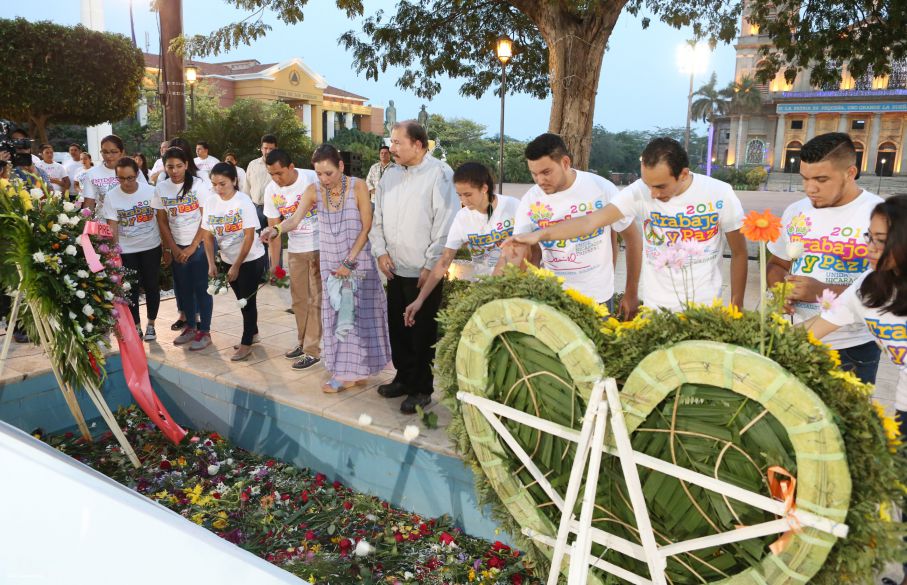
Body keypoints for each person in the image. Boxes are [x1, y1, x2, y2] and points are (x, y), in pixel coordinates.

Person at [509, 136, 745, 311]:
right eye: (647, 184)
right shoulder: (638, 193)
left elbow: (739, 253)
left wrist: (736, 306)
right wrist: (540, 235)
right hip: (655, 307)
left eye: (660, 186)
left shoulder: (719, 194)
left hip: (705, 307)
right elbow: (591, 221)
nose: (651, 193)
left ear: (683, 174)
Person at [261, 144, 391, 391]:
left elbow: (367, 227)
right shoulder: (313, 191)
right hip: (331, 264)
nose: (324, 179)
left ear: (340, 166)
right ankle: (346, 372)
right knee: (338, 319)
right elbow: (294, 219)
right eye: (319, 173)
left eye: (329, 173)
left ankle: (353, 372)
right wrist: (275, 229)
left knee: (358, 318)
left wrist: (349, 262)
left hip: (357, 263)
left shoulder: (358, 186)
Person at [768, 132, 884, 384]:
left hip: (851, 345)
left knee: (846, 422)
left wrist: (822, 291)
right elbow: (777, 263)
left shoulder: (879, 215)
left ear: (850, 173)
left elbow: (887, 289)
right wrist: (778, 291)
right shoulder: (795, 211)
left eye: (821, 179)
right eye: (805, 178)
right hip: (794, 338)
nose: (810, 188)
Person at [500, 133, 643, 316]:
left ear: (565, 163)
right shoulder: (530, 200)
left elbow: (632, 239)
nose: (540, 181)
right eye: (534, 174)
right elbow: (518, 249)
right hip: (553, 297)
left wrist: (631, 292)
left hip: (598, 297)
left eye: (546, 172)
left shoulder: (602, 188)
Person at [370, 120, 459, 413]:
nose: (391, 148)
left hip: (424, 273)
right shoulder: (389, 176)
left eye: (397, 142)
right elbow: (377, 217)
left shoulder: (440, 174)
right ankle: (403, 378)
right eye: (391, 142)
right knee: (397, 328)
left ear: (418, 145)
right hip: (394, 268)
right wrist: (380, 252)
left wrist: (431, 265)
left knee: (422, 332)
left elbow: (444, 224)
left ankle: (421, 387)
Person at [809, 195, 907, 446]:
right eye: (870, 238)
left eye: (882, 241)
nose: (871, 248)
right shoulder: (869, 286)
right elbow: (815, 328)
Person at [404, 162, 519, 326]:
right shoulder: (462, 218)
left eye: (468, 194)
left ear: (484, 188)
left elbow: (530, 247)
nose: (464, 200)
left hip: (517, 288)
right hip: (484, 292)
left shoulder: (513, 206)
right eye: (459, 195)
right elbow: (444, 261)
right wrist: (420, 299)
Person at [262, 149, 321, 370]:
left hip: (320, 246)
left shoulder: (312, 178)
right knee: (298, 300)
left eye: (279, 173)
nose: (276, 179)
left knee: (316, 300)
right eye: (271, 174)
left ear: (291, 167)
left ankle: (312, 351)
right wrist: (274, 266)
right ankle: (302, 342)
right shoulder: (271, 190)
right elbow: (274, 230)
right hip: (296, 249)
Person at [154, 146, 215, 350]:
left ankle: (204, 331)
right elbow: (162, 221)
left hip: (199, 245)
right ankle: (190, 326)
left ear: (187, 165)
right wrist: (172, 248)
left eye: (179, 166)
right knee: (184, 288)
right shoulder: (161, 188)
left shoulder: (198, 185)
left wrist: (192, 247)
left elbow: (206, 219)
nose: (175, 170)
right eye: (170, 166)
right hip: (177, 246)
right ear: (165, 167)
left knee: (202, 289)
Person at [204, 163, 266, 361]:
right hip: (227, 258)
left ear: (234, 181)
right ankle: (253, 332)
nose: (218, 189)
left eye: (223, 184)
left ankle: (247, 343)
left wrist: (237, 265)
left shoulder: (243, 201)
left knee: (246, 301)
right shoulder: (211, 201)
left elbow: (249, 236)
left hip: (250, 258)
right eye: (214, 184)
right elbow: (207, 236)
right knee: (241, 299)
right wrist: (212, 263)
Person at [102, 157, 163, 340]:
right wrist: (114, 253)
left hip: (151, 246)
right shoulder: (111, 196)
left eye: (130, 178)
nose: (126, 183)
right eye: (121, 178)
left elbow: (161, 220)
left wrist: (166, 248)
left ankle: (151, 324)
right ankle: (136, 325)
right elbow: (112, 227)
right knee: (131, 289)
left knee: (152, 286)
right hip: (127, 250)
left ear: (137, 174)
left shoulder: (151, 191)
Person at [82, 134, 147, 213]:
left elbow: (145, 195)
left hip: (131, 221)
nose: (109, 156)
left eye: (114, 152)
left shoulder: (134, 170)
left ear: (122, 152)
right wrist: (83, 222)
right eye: (105, 152)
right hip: (104, 222)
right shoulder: (92, 174)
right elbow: (89, 204)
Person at [244, 134, 278, 231]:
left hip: (274, 208)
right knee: (258, 240)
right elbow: (247, 187)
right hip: (256, 208)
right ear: (261, 148)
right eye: (265, 148)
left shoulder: (281, 166)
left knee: (274, 238)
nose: (267, 151)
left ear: (276, 149)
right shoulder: (252, 164)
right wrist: (247, 208)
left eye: (271, 149)